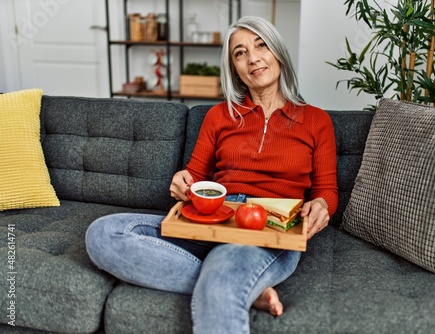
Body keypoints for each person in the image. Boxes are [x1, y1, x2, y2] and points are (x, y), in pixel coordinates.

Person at [86, 16, 338, 334]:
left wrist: (322, 207)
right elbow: (193, 176)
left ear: (277, 53)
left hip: (269, 229)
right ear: (234, 68)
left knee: (222, 278)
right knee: (103, 234)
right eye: (240, 52)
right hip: (213, 220)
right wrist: (182, 182)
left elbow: (326, 190)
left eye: (261, 45)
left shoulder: (316, 121)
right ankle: (247, 289)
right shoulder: (219, 116)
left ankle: (233, 284)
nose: (254, 58)